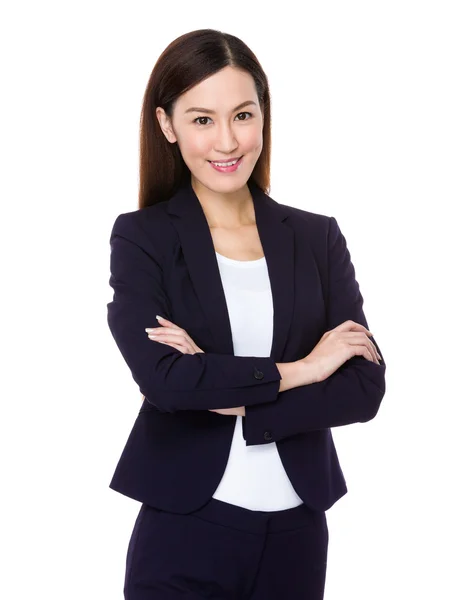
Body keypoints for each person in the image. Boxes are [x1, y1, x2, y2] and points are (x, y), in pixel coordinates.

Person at [106, 28, 387, 600]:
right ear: (167, 125)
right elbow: (166, 384)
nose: (228, 141)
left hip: (297, 536)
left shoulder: (316, 237)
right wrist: (304, 369)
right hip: (185, 528)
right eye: (202, 119)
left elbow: (363, 388)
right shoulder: (143, 238)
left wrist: (224, 387)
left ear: (264, 116)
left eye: (243, 114)